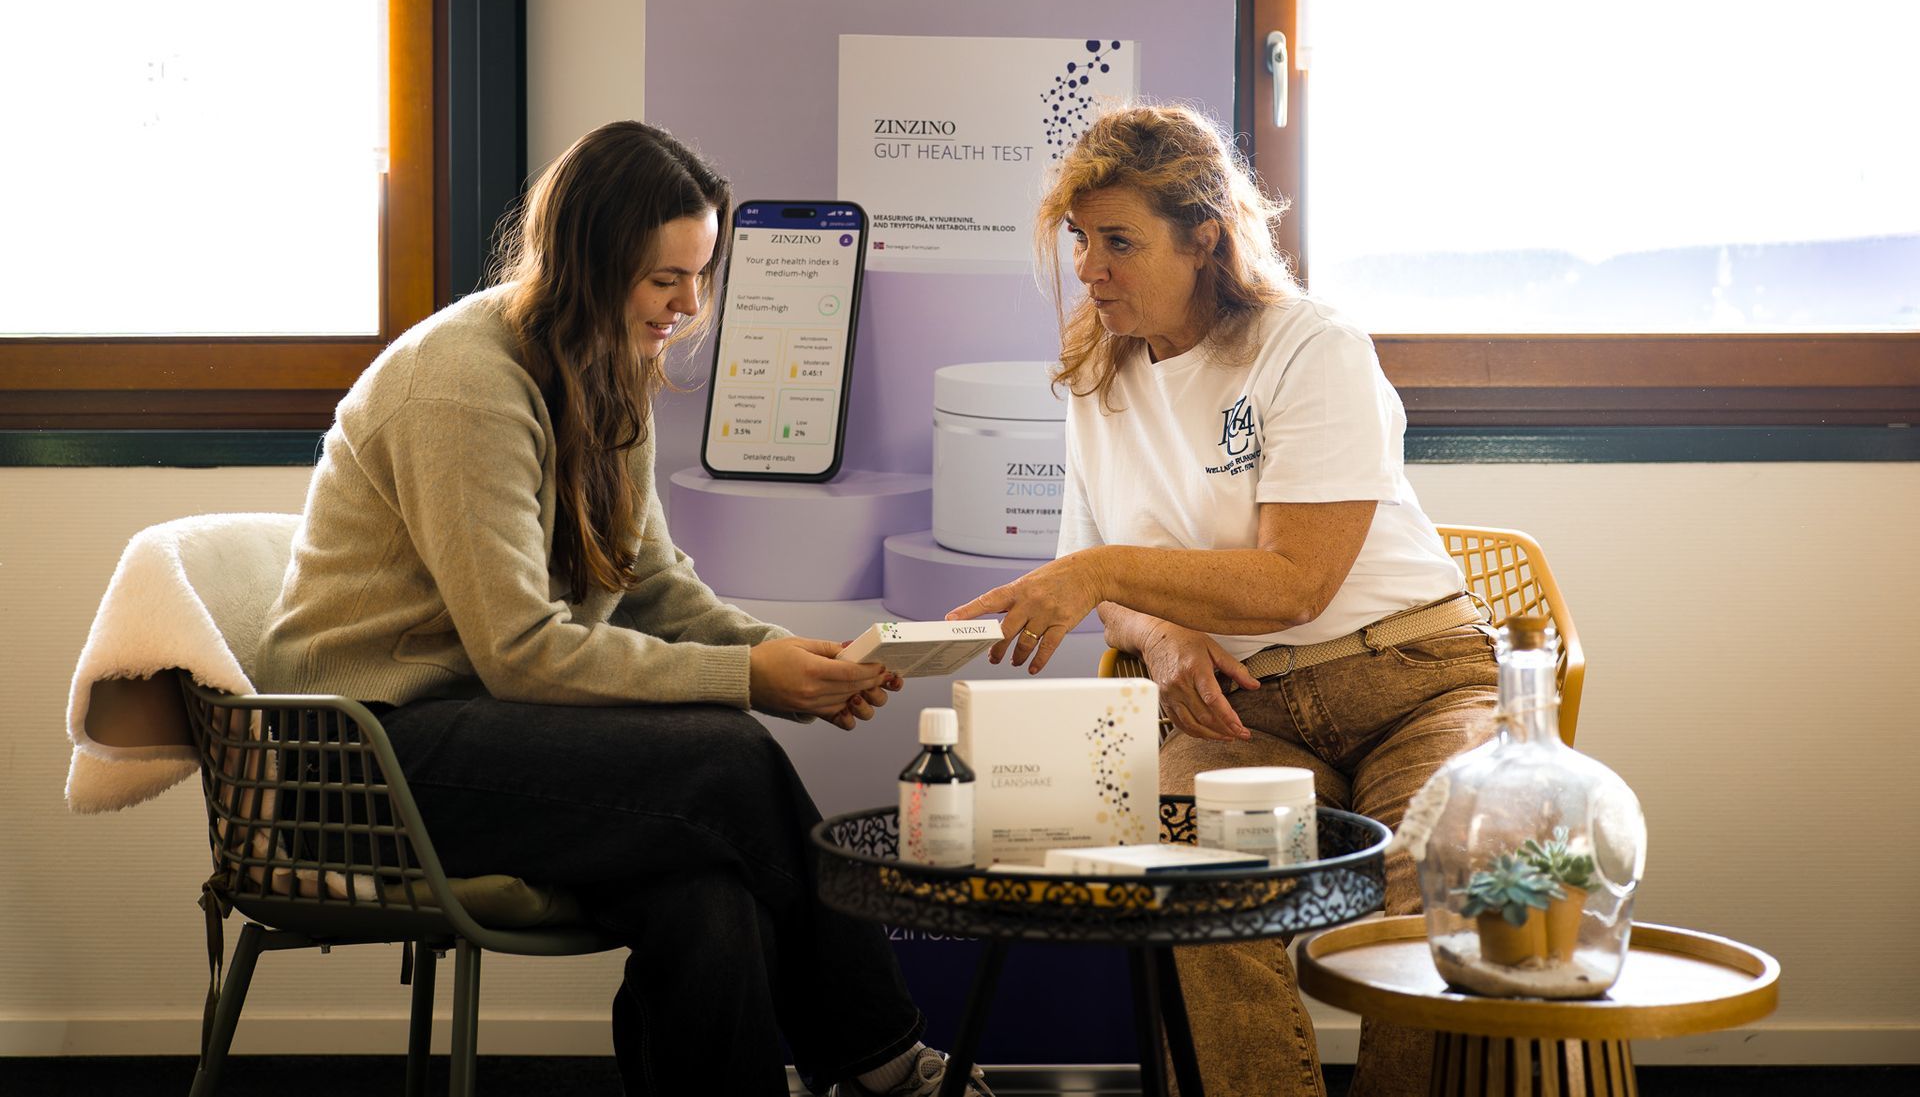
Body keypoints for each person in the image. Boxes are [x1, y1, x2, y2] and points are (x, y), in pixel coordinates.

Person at [256, 120, 991, 1097]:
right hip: (361, 759)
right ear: (587, 267)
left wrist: (787, 654)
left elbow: (649, 584)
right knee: (726, 753)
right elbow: (519, 650)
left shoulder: (607, 369)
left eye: (702, 275)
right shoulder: (466, 386)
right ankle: (887, 1064)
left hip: (484, 733)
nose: (690, 308)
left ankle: (866, 1067)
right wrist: (748, 680)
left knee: (710, 902)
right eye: (664, 281)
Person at [947, 104, 1497, 1097]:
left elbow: (1295, 583)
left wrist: (1107, 574)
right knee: (1185, 878)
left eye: (1119, 240)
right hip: (1239, 709)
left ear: (1205, 237)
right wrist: (1159, 639)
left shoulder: (1309, 346)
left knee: (1439, 875)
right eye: (1080, 239)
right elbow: (1103, 582)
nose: (1088, 267)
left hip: (1409, 683)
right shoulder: (1092, 371)